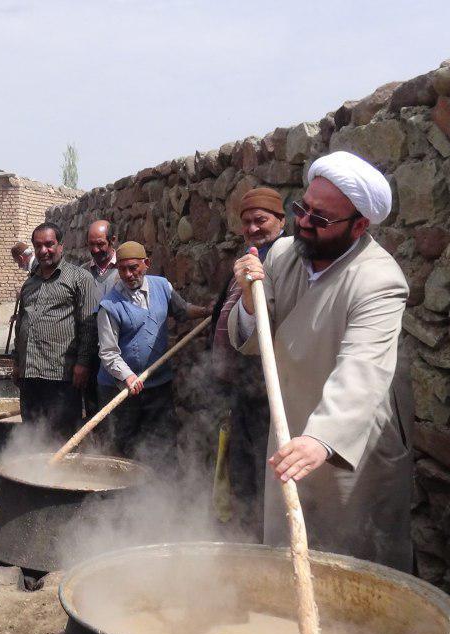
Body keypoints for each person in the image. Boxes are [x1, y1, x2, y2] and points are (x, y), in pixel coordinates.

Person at [230, 150, 413, 571]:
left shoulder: (379, 281)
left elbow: (363, 368)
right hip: (291, 426)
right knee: (286, 555)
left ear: (359, 226)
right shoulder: (282, 255)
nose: (305, 223)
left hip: (349, 444)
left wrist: (322, 438)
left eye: (321, 218)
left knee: (353, 568)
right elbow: (257, 338)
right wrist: (246, 296)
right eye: (303, 209)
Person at [97, 242, 210, 467]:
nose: (128, 275)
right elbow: (108, 353)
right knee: (123, 447)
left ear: (146, 264)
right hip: (120, 389)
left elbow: (182, 310)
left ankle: (163, 493)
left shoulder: (162, 287)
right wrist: (128, 376)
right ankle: (120, 498)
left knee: (163, 442)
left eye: (133, 268)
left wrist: (206, 312)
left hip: (158, 384)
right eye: (122, 269)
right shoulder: (109, 306)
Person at [214, 187, 287, 538]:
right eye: (247, 222)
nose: (254, 228)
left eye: (262, 220)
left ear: (281, 220)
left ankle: (265, 544)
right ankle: (244, 540)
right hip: (242, 388)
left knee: (265, 473)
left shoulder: (288, 261)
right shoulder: (248, 261)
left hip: (272, 393)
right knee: (242, 469)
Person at [13, 223, 98, 438]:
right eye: (38, 246)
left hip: (61, 376)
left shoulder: (80, 278)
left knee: (62, 436)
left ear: (61, 245)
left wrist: (83, 363)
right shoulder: (29, 283)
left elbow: (88, 324)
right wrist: (16, 363)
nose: (44, 251)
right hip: (30, 376)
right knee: (31, 436)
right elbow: (21, 322)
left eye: (49, 245)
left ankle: (62, 472)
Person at [79, 220, 119, 417]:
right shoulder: (82, 273)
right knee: (94, 405)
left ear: (113, 240)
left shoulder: (125, 269)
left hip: (120, 350)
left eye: (100, 244)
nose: (95, 249)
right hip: (91, 350)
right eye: (91, 244)